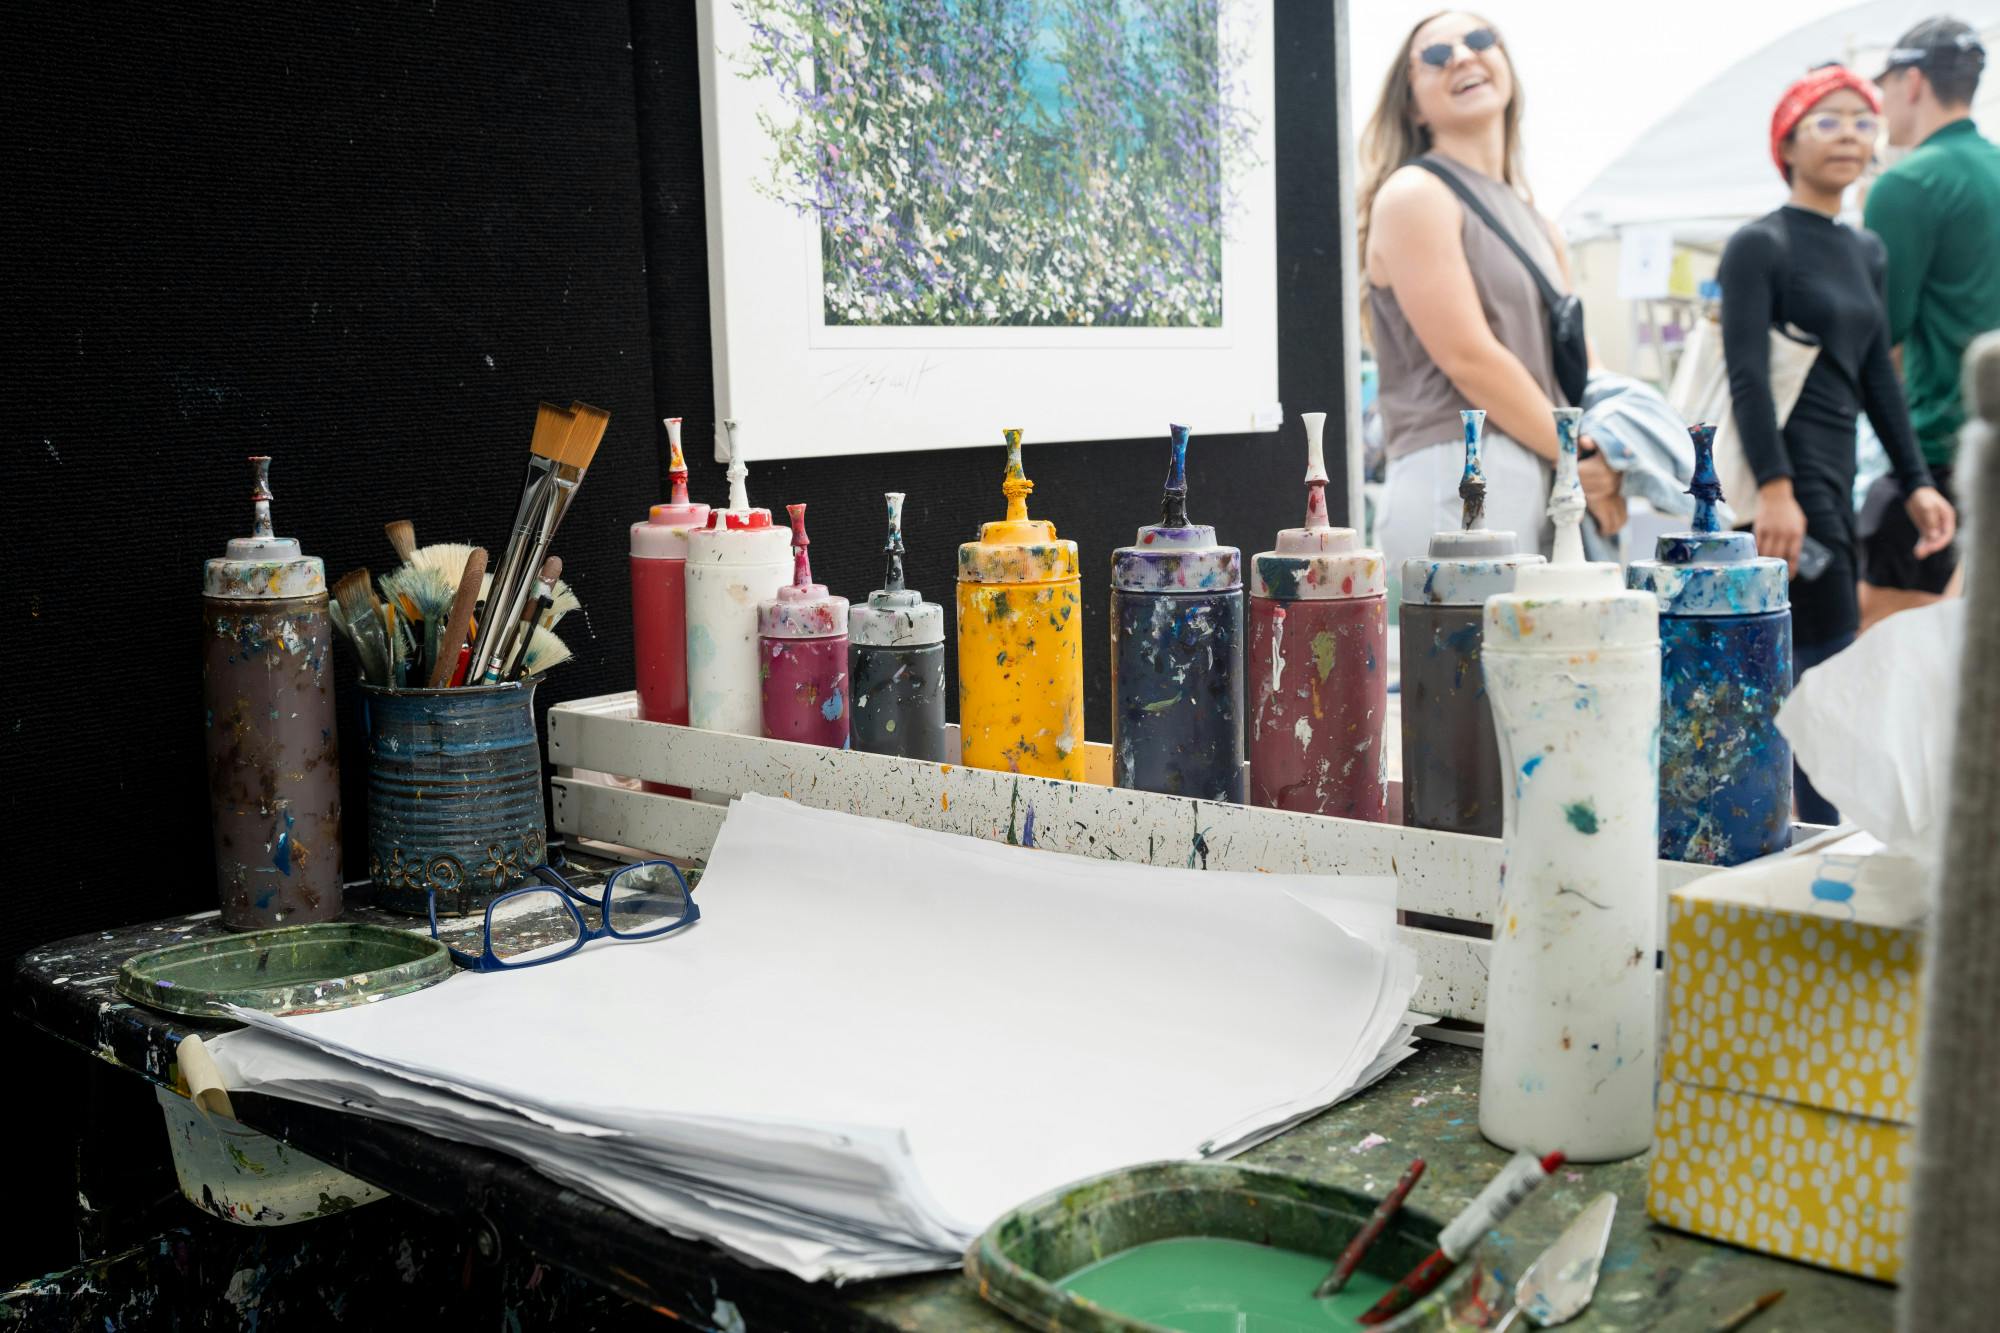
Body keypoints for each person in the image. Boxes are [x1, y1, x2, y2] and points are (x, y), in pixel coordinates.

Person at [1717, 65, 1955, 823]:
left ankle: (1820, 838)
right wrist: (1775, 488)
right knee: (1801, 668)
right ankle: (1792, 837)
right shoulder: (1760, 244)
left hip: (1840, 478)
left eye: (1863, 118)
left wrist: (1918, 481)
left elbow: (1879, 378)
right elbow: (1747, 378)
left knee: (1830, 665)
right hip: (1787, 486)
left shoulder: (1867, 251)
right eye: (1829, 119)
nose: (1851, 132)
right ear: (1786, 142)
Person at [1361, 11, 1624, 571]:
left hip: (1540, 463)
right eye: (1435, 54)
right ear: (1411, 103)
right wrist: (1580, 458)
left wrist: (1607, 460)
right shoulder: (1416, 193)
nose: (1461, 55)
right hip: (1456, 467)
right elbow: (1470, 358)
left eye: (1479, 40)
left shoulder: (1539, 223)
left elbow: (1583, 359)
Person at [1859, 17, 1999, 628]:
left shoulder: (1907, 183)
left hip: (1938, 457)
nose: (1881, 104)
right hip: (1983, 443)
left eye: (1883, 87)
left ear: (1911, 81)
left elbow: (1876, 339)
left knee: (1887, 635)